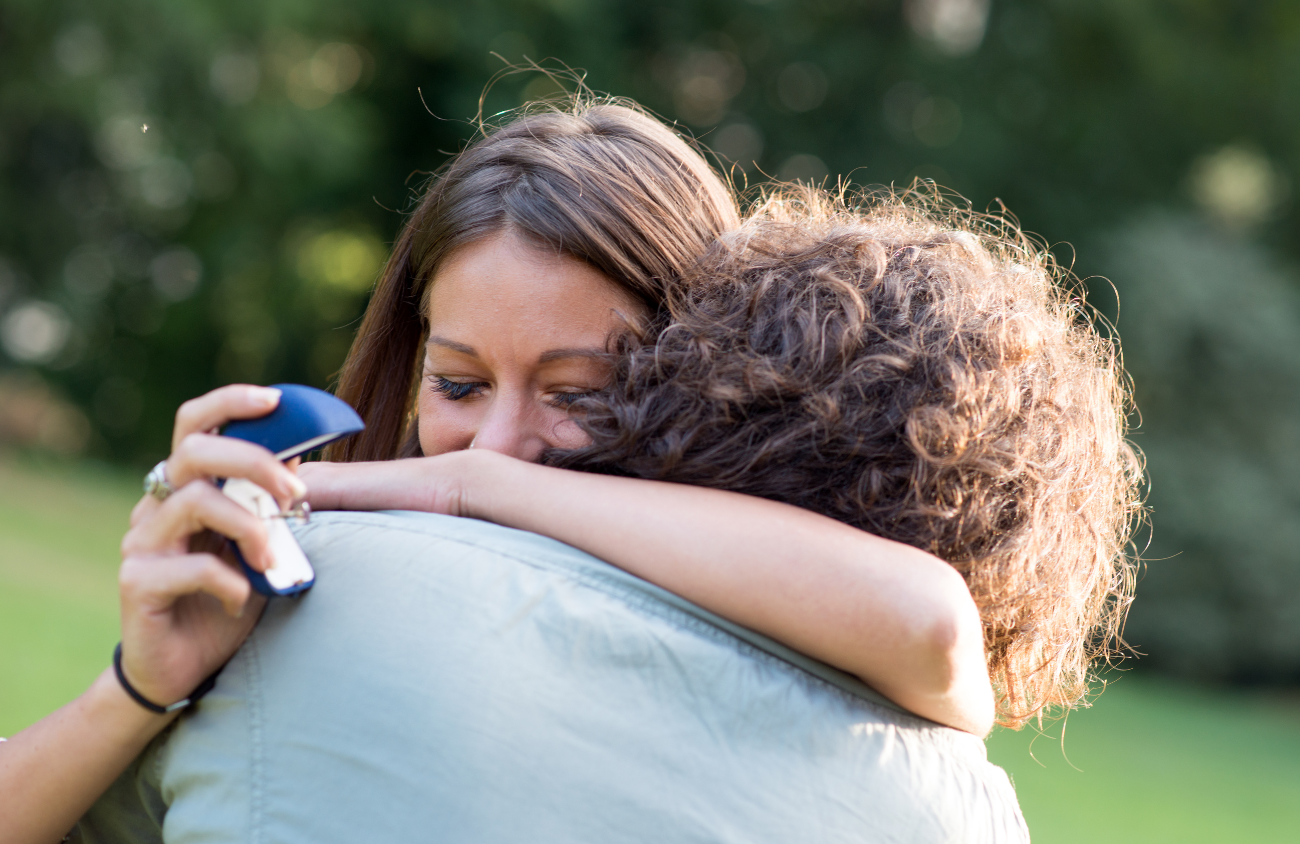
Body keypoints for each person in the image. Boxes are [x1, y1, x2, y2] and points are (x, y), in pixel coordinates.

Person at [0, 100, 997, 843]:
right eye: (460, 383)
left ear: (710, 379)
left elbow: (929, 624)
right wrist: (137, 688)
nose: (499, 440)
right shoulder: (319, 590)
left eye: (579, 392)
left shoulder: (790, 609)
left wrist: (472, 488)